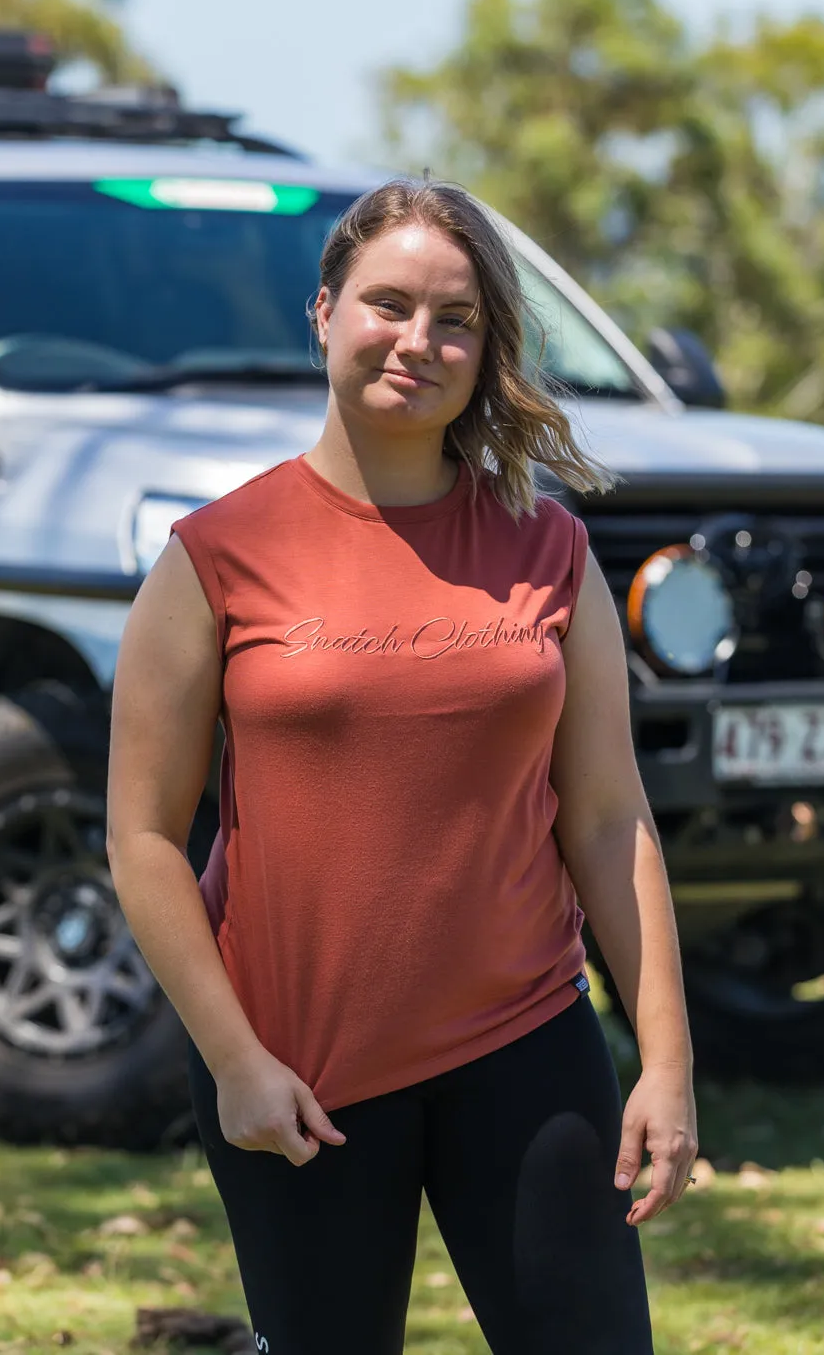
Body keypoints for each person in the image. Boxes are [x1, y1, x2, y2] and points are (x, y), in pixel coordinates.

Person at [107, 179, 698, 1355]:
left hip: (527, 1046)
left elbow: (604, 818)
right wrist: (236, 1061)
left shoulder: (549, 548)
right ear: (323, 312)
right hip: (297, 1083)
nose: (417, 342)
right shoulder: (214, 558)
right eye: (388, 305)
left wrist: (666, 1062)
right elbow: (142, 839)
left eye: (455, 321)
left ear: (486, 353)